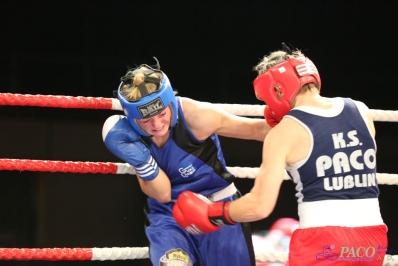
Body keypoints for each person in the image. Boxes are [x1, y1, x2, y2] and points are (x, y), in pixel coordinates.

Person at [172, 44, 389, 265]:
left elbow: (259, 206)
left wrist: (212, 213)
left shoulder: (285, 131)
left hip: (323, 241)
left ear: (276, 90)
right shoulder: (361, 111)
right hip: (372, 241)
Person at [101, 58, 271, 266]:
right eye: (146, 120)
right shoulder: (132, 138)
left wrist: (307, 127)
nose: (156, 124)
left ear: (171, 102)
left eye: (162, 114)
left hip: (219, 208)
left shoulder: (196, 117)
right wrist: (142, 159)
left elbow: (256, 130)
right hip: (169, 216)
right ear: (133, 119)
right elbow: (162, 193)